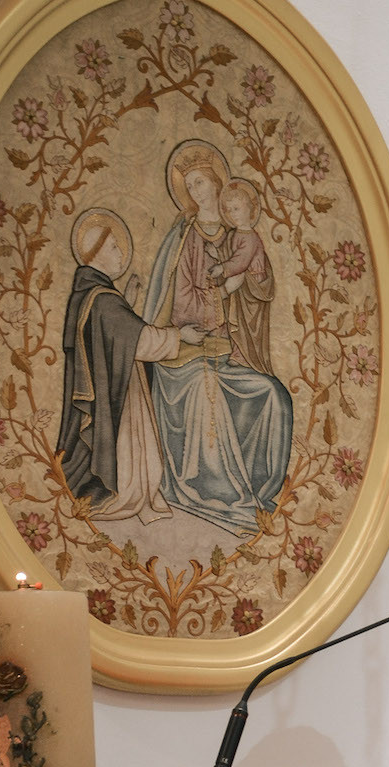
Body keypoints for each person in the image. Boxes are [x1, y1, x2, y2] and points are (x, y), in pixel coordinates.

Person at [143, 142, 293, 536]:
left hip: (228, 348)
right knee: (205, 390)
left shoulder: (238, 233)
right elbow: (178, 299)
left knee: (273, 394)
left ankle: (260, 491)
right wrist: (221, 294)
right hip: (185, 353)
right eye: (189, 185)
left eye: (200, 182)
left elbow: (259, 289)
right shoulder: (184, 236)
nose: (195, 190)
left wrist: (252, 281)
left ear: (217, 183)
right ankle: (218, 494)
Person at [56, 207, 200, 522]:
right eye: (113, 247)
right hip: (116, 399)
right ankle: (121, 491)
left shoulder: (90, 294)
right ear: (96, 255)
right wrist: (180, 335)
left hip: (114, 384)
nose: (120, 253)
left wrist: (128, 304)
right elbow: (139, 340)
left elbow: (113, 335)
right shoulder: (103, 299)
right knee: (130, 451)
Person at [207, 178, 277, 374]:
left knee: (248, 324)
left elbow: (240, 261)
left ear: (250, 209)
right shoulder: (233, 234)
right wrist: (217, 253)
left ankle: (245, 356)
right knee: (236, 317)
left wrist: (222, 268)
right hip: (241, 286)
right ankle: (235, 347)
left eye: (237, 209)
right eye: (229, 210)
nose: (233, 214)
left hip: (252, 289)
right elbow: (229, 254)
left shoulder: (251, 237)